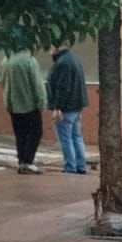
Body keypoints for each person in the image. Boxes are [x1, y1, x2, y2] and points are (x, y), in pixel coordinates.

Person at [0, 50, 48, 175]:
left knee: (20, 134)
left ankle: (22, 161)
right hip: (29, 105)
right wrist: (42, 102)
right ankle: (27, 162)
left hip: (13, 106)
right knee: (35, 133)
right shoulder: (29, 60)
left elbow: (2, 82)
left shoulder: (6, 60)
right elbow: (37, 84)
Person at [46, 47, 89, 175]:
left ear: (56, 48)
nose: (49, 50)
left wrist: (57, 107)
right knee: (76, 137)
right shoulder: (74, 59)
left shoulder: (62, 63)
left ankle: (70, 166)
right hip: (75, 106)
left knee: (66, 138)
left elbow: (62, 87)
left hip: (65, 108)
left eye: (51, 47)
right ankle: (81, 166)